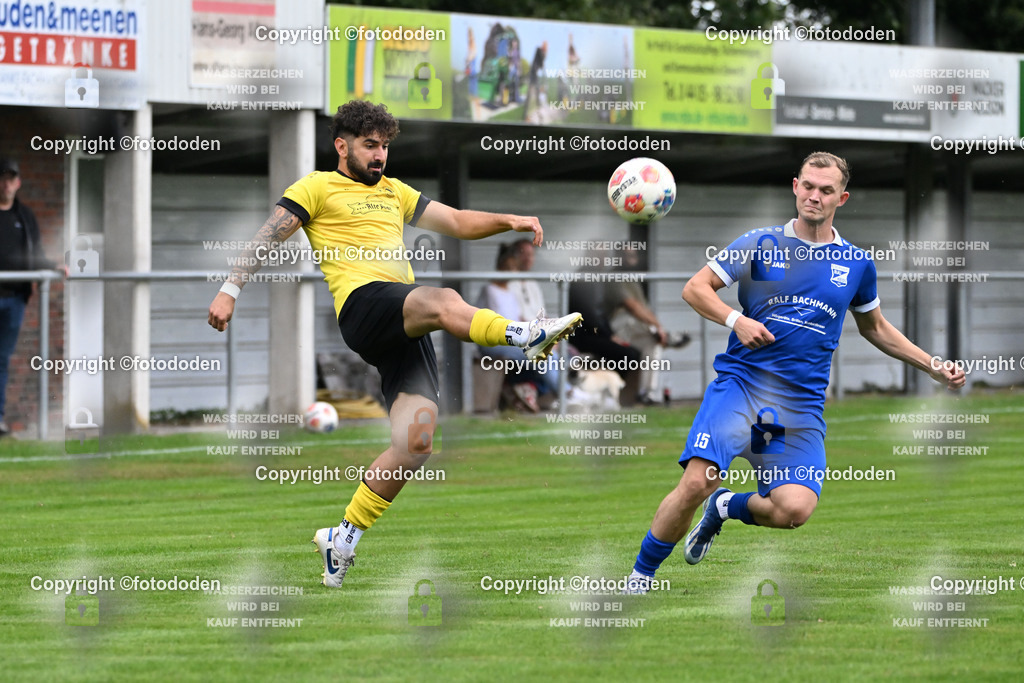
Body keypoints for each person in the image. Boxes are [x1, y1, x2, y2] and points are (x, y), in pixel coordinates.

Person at [207, 100, 582, 588]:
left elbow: (458, 221)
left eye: (385, 146)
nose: (380, 154)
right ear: (342, 146)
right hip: (364, 305)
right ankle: (524, 335)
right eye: (370, 145)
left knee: (416, 443)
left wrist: (509, 220)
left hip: (404, 321)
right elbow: (266, 238)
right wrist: (229, 289)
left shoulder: (395, 192)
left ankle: (342, 539)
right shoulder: (315, 187)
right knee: (442, 299)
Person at [625, 152, 966, 592]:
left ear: (842, 198)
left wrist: (932, 365)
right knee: (697, 481)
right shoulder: (759, 244)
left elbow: (875, 327)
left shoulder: (856, 264)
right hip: (742, 388)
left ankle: (725, 508)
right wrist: (736, 320)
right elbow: (696, 289)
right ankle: (640, 576)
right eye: (808, 186)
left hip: (798, 406)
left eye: (826, 190)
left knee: (793, 510)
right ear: (795, 186)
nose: (814, 196)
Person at [0, 158, 59, 437]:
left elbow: (35, 255)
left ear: (18, 183)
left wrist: (54, 266)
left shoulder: (24, 217)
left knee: (2, 359)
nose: (6, 184)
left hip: (14, 299)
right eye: (2, 178)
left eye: (11, 179)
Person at [604, 247, 690, 404]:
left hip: (634, 332)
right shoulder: (614, 277)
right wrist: (658, 328)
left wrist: (658, 329)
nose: (630, 258)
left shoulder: (633, 279)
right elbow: (632, 307)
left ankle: (646, 394)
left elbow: (644, 309)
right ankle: (668, 337)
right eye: (626, 254)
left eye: (632, 254)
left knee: (654, 344)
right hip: (616, 329)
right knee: (633, 319)